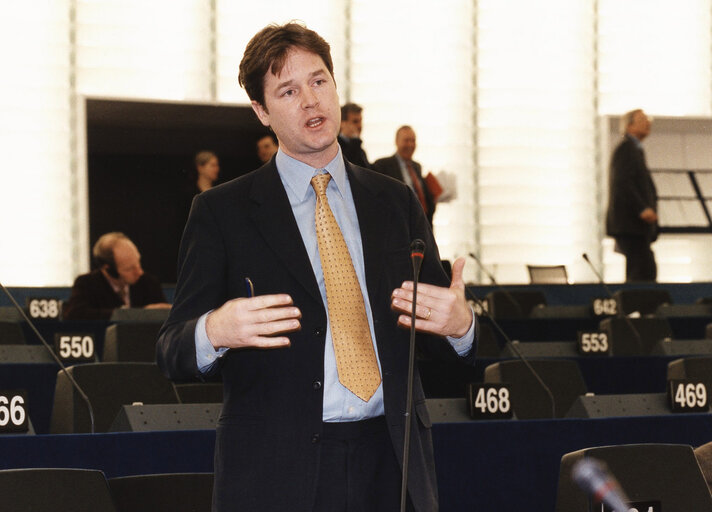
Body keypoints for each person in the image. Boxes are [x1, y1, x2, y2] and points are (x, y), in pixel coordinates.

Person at [156, 22, 476, 512]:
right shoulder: (222, 212)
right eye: (288, 90)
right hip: (277, 470)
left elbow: (435, 332)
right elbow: (170, 351)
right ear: (261, 111)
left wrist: (460, 328)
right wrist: (214, 329)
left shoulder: (395, 202)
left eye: (319, 80)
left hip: (392, 462)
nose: (311, 100)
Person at [63, 232, 170, 320]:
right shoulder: (87, 283)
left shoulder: (148, 282)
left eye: (138, 263)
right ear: (108, 269)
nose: (139, 272)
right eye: (129, 269)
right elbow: (74, 314)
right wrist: (137, 314)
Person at [605, 109, 658, 282]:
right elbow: (622, 183)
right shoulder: (626, 148)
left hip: (636, 227)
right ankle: (637, 307)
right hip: (631, 224)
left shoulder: (635, 149)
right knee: (642, 270)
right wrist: (642, 208)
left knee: (643, 268)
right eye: (642, 119)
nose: (648, 122)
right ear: (629, 126)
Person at [373, 126, 438, 225]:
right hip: (397, 226)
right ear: (396, 141)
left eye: (413, 141)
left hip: (420, 225)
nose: (410, 144)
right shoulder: (382, 165)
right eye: (406, 140)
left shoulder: (417, 167)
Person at [337, 102, 371, 168]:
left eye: (360, 121)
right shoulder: (334, 145)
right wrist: (356, 140)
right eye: (355, 121)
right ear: (342, 123)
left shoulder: (359, 148)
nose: (359, 126)